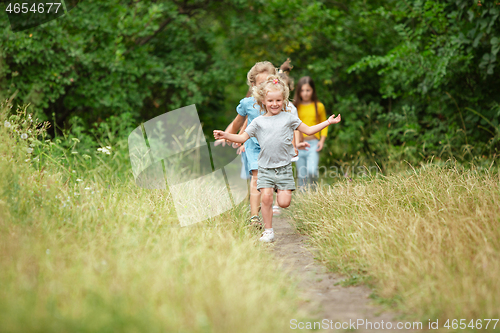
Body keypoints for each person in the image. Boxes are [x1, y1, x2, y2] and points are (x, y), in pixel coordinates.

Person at [213, 75, 341, 242]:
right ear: (264, 101)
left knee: (284, 202)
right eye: (271, 100)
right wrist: (226, 135)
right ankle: (268, 230)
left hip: (284, 168)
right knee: (266, 197)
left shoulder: (289, 118)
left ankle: (277, 189)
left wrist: (327, 122)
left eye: (278, 100)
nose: (275, 104)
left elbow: (308, 130)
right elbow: (242, 137)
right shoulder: (258, 122)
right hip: (265, 167)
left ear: (284, 100)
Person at [293, 76, 329, 188]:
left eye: (308, 90)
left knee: (312, 171)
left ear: (313, 91)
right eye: (302, 90)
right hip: (299, 145)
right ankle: (304, 201)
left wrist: (322, 140)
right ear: (298, 92)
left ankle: (314, 195)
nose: (305, 93)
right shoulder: (295, 107)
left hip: (313, 144)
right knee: (302, 175)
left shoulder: (319, 106)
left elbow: (324, 124)